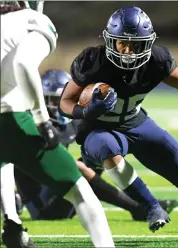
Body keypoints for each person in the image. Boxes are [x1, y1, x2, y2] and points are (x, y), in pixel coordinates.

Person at [59, 6, 178, 241]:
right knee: (107, 148)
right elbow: (65, 101)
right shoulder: (93, 61)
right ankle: (151, 206)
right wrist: (86, 111)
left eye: (136, 44)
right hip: (98, 128)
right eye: (122, 43)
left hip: (136, 122)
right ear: (110, 40)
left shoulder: (156, 60)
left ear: (149, 43)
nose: (129, 51)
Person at [0, 1, 114, 247]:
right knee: (81, 192)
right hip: (8, 118)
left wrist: (11, 216)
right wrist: (42, 120)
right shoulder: (34, 22)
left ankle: (11, 220)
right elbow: (22, 64)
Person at [14, 69, 178, 221]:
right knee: (76, 166)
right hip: (42, 206)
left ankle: (141, 204)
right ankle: (136, 207)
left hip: (58, 191)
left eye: (61, 99)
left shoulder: (68, 121)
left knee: (99, 150)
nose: (58, 105)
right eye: (53, 100)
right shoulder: (30, 124)